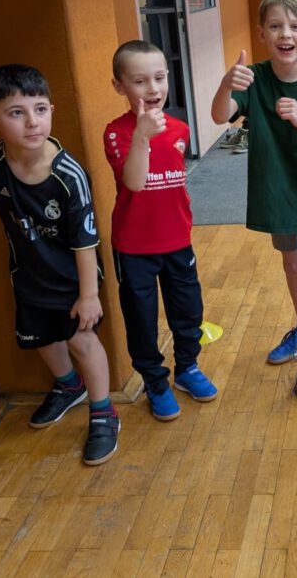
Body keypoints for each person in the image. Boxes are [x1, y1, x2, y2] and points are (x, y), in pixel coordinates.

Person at [0, 64, 119, 465]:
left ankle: (103, 412)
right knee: (41, 338)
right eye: (17, 112)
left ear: (51, 111)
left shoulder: (68, 175)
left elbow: (85, 241)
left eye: (40, 109)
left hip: (74, 277)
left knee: (82, 340)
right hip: (28, 274)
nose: (32, 122)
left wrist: (89, 295)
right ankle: (69, 385)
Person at [211, 0, 297, 414]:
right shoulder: (254, 78)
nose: (285, 34)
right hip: (277, 193)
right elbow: (219, 116)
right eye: (275, 26)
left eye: (293, 26)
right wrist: (226, 83)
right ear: (262, 34)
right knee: (293, 267)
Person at [103, 40, 217, 422]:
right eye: (140, 81)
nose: (153, 89)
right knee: (141, 318)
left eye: (159, 78)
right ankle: (155, 381)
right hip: (134, 247)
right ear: (120, 86)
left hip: (177, 240)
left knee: (188, 309)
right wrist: (141, 136)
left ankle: (187, 367)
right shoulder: (117, 133)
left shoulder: (181, 128)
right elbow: (134, 182)